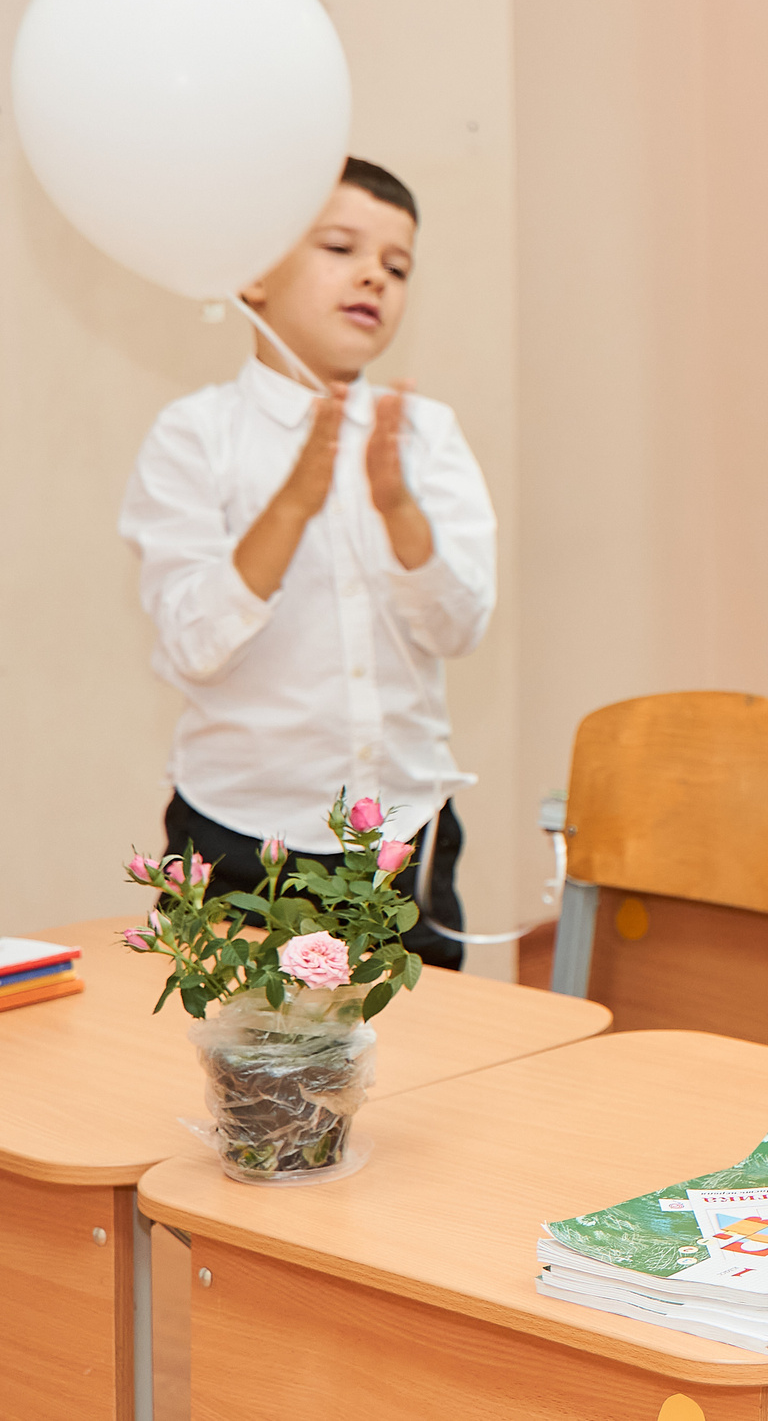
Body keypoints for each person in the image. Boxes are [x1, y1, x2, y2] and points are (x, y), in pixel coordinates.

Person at [120, 159, 493, 972]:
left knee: (426, 1068)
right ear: (254, 276)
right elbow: (194, 644)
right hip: (238, 834)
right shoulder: (195, 435)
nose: (373, 275)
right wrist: (292, 503)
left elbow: (460, 625)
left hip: (403, 835)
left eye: (397, 267)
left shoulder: (426, 436)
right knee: (232, 1070)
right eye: (340, 246)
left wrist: (400, 513)